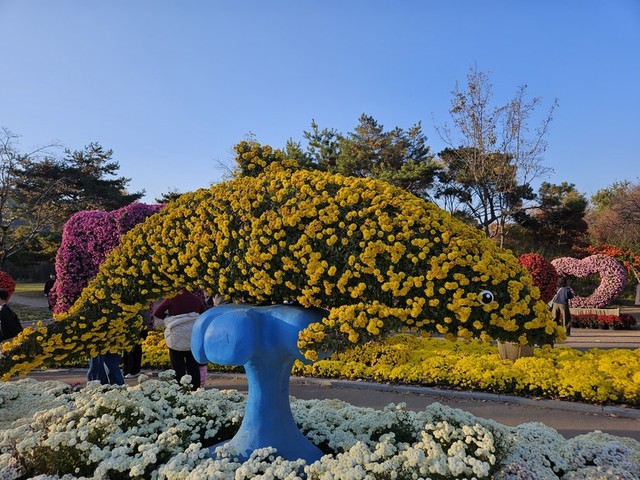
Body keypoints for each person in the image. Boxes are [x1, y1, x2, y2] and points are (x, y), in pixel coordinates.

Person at [152, 289, 205, 390]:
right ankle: (195, 389)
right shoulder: (196, 299)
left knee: (177, 366)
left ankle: (179, 389)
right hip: (192, 336)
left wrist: (169, 318)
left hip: (175, 336)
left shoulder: (171, 298)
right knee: (193, 366)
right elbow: (204, 314)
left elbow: (157, 312)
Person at [122, 305, 155, 378]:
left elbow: (146, 317)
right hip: (131, 326)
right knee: (127, 349)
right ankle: (126, 370)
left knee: (135, 349)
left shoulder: (141, 303)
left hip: (139, 327)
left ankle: (134, 371)